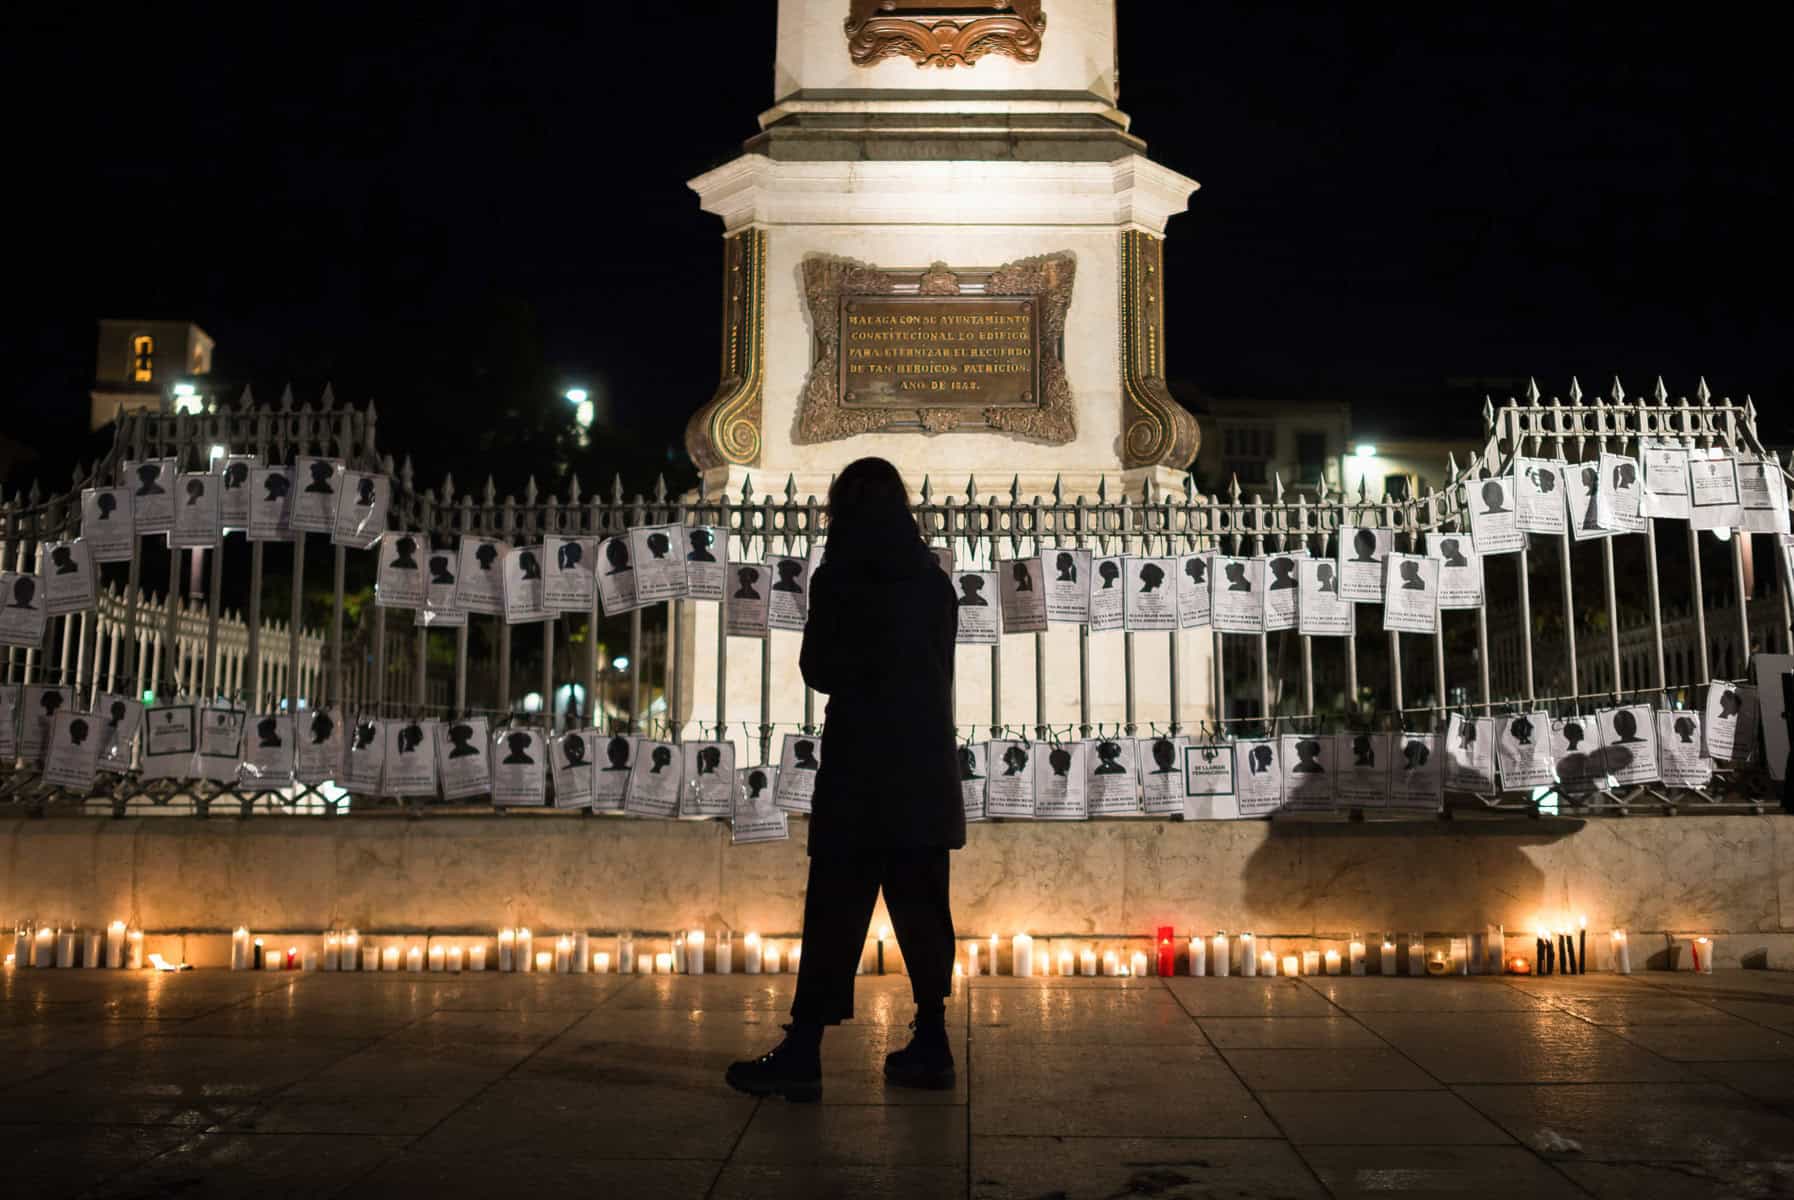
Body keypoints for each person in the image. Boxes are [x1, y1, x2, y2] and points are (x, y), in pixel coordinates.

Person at [728, 456, 962, 1103]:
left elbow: (820, 671)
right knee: (923, 910)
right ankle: (933, 1039)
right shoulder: (934, 583)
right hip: (922, 769)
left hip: (860, 768)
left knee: (834, 911)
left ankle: (805, 1049)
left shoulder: (840, 579)